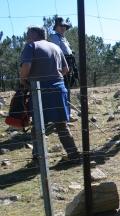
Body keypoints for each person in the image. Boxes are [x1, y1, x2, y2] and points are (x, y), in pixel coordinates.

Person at [19, 26, 79, 165]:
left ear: (33, 35)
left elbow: (26, 67)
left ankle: (38, 158)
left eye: (28, 34)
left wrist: (23, 81)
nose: (27, 37)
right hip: (59, 89)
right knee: (62, 125)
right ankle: (73, 154)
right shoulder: (55, 47)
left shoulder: (31, 46)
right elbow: (65, 69)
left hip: (40, 91)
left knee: (38, 126)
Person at [49, 17, 78, 95]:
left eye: (64, 26)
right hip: (62, 63)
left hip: (69, 62)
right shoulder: (55, 37)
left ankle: (67, 102)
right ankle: (64, 102)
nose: (63, 28)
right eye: (60, 26)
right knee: (64, 83)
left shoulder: (64, 38)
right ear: (56, 28)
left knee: (69, 83)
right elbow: (57, 51)